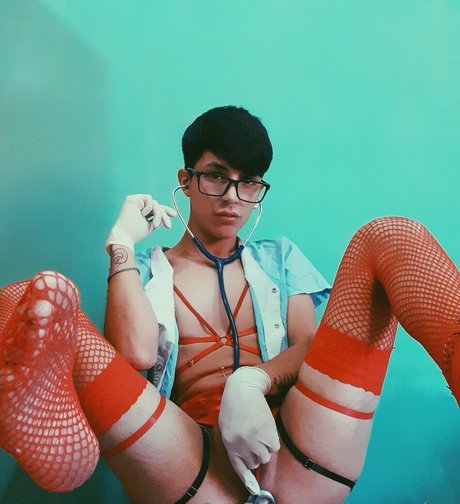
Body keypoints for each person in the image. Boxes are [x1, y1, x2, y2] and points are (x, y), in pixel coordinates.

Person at [0, 107, 459, 504]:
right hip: (190, 464)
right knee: (33, 295)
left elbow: (307, 349)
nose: (232, 198)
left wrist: (251, 381)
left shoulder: (279, 258)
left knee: (391, 236)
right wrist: (120, 244)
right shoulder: (144, 270)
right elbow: (136, 355)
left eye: (249, 183)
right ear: (186, 180)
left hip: (297, 447)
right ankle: (65, 450)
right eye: (217, 176)